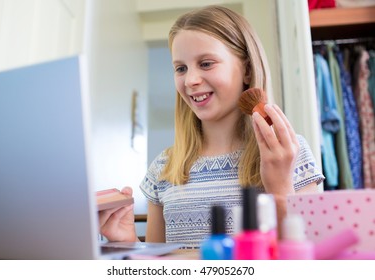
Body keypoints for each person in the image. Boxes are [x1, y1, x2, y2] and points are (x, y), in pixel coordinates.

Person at [99, 5, 324, 248]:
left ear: (247, 70)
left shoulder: (289, 152)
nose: (190, 80)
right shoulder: (163, 168)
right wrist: (127, 241)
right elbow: (157, 267)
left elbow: (309, 261)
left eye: (206, 64)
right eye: (181, 68)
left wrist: (280, 188)